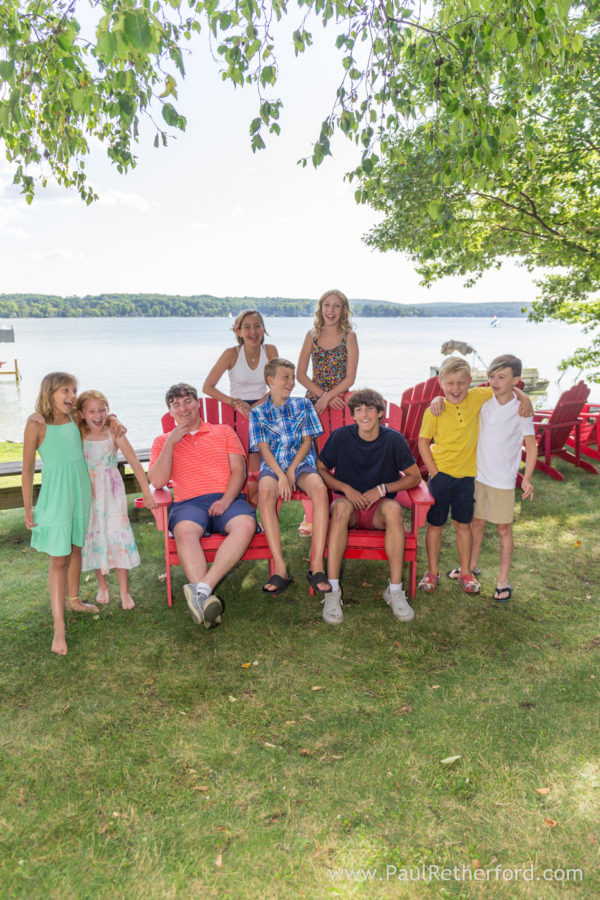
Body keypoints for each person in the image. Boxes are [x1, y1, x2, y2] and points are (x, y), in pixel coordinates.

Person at [417, 356, 532, 594]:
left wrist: (525, 396)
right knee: (435, 525)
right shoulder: (435, 410)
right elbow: (422, 442)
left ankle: (467, 572)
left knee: (463, 524)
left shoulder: (478, 397)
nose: (456, 389)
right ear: (440, 383)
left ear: (470, 382)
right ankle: (432, 571)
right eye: (450, 383)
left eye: (461, 383)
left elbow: (505, 389)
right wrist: (435, 473)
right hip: (441, 477)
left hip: (468, 477)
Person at [149, 382, 257, 627]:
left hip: (226, 497)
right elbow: (157, 481)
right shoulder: (162, 441)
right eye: (176, 404)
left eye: (187, 401)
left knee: (245, 525)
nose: (183, 408)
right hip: (188, 503)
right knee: (185, 531)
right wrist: (171, 443)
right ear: (170, 412)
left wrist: (226, 500)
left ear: (198, 403)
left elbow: (239, 471)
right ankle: (206, 604)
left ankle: (202, 592)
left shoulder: (224, 432)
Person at [316, 388, 421, 625]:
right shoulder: (341, 436)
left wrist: (382, 489)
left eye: (370, 409)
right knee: (341, 508)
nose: (364, 414)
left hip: (379, 509)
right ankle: (332, 591)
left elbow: (414, 477)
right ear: (352, 414)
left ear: (381, 412)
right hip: (348, 508)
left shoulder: (394, 440)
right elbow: (321, 468)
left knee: (394, 510)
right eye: (358, 410)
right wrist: (346, 488)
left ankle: (394, 591)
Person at [22, 372, 95, 655]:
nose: (72, 395)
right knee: (59, 559)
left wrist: (115, 422)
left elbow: (99, 415)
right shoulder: (36, 425)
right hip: (56, 497)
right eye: (65, 390)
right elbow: (27, 470)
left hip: (80, 492)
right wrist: (28, 507)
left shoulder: (77, 418)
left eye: (74, 390)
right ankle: (59, 629)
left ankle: (73, 600)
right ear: (50, 391)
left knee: (76, 547)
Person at [249, 358, 331, 596]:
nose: (291, 382)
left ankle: (317, 566)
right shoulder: (258, 412)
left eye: (293, 377)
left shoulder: (303, 405)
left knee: (319, 489)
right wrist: (280, 475)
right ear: (270, 380)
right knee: (265, 491)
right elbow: (263, 449)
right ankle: (280, 567)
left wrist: (292, 470)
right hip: (272, 467)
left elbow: (307, 442)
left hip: (301, 464)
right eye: (285, 377)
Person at [76, 390, 157, 610]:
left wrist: (147, 492)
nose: (98, 415)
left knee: (117, 536)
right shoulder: (78, 433)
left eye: (103, 410)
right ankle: (102, 586)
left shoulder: (115, 432)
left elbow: (136, 464)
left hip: (111, 493)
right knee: (93, 536)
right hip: (88, 493)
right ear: (82, 414)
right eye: (92, 411)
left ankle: (124, 592)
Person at [296, 289, 359, 535]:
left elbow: (350, 377)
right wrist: (322, 395)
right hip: (314, 400)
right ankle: (310, 514)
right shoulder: (312, 335)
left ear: (343, 310)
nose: (331, 311)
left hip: (340, 401)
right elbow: (301, 374)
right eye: (327, 305)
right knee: (311, 454)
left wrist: (331, 396)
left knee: (339, 454)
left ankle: (341, 508)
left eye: (337, 306)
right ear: (320, 308)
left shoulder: (349, 337)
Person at [202, 309, 278, 505]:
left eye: (257, 326)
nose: (253, 331)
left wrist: (261, 402)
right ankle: (249, 514)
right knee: (247, 474)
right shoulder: (231, 354)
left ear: (263, 329)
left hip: (263, 414)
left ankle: (259, 517)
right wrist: (233, 402)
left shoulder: (270, 351)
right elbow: (207, 387)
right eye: (247, 327)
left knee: (258, 473)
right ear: (238, 331)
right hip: (237, 416)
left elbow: (279, 384)